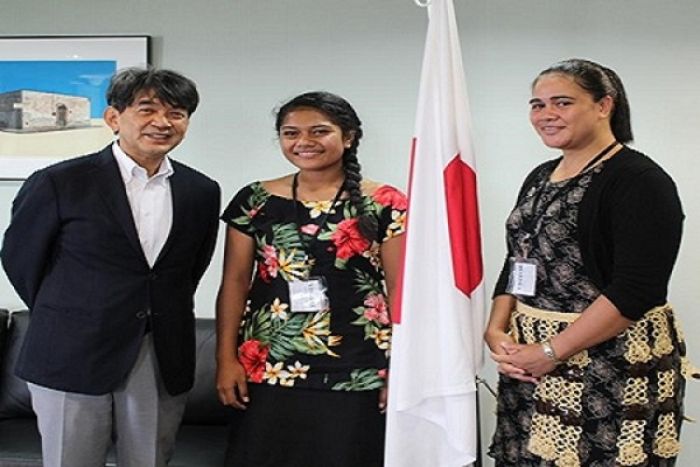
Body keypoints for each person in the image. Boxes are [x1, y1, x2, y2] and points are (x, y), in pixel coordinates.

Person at [1, 68, 220, 467]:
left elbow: (189, 270)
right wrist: (77, 310)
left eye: (177, 113)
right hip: (71, 350)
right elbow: (21, 260)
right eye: (147, 109)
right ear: (114, 118)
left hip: (159, 353)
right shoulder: (59, 182)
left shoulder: (201, 191)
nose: (162, 122)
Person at [485, 59, 692, 466]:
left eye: (561, 102)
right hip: (530, 362)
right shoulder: (540, 176)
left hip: (609, 367)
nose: (546, 115)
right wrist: (496, 328)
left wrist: (551, 351)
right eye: (537, 105)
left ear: (604, 105)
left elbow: (636, 291)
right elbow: (520, 257)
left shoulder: (639, 180)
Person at [215, 91, 406, 467]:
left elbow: (401, 290)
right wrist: (225, 359)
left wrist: (401, 366)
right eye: (291, 133)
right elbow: (234, 283)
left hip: (359, 365)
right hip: (268, 363)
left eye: (319, 131)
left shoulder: (385, 201)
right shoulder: (254, 199)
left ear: (348, 136)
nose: (304, 142)